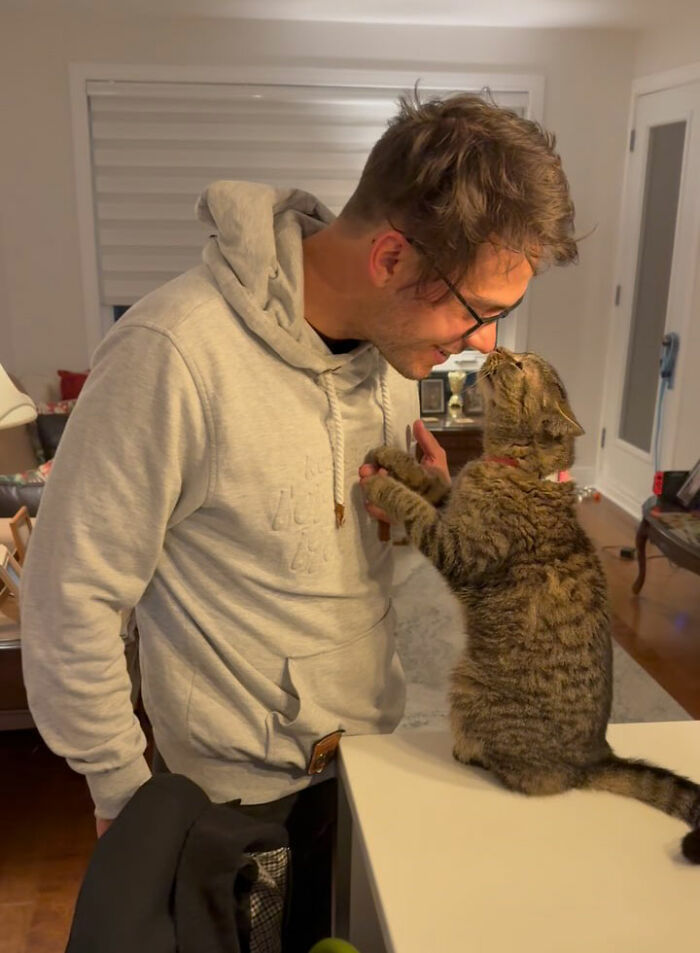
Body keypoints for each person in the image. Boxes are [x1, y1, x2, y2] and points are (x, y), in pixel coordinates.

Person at [21, 92, 577, 951]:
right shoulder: (172, 354)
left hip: (366, 756)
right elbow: (71, 597)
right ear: (391, 256)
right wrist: (125, 801)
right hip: (223, 800)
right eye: (475, 311)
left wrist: (430, 509)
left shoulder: (392, 356)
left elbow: (327, 545)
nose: (488, 341)